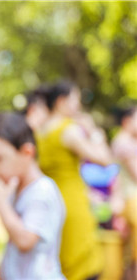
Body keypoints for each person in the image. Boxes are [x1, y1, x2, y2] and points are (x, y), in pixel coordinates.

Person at [36, 81, 113, 280]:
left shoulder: (41, 131)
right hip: (72, 202)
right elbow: (104, 159)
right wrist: (95, 132)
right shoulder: (67, 130)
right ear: (62, 101)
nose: (78, 106)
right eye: (75, 100)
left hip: (50, 201)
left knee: (61, 260)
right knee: (82, 265)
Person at [0, 112, 65, 280]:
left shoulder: (42, 190)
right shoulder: (16, 189)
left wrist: (1, 204)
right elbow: (13, 246)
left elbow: (25, 241)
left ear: (27, 152)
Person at [111, 105, 137, 280]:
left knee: (130, 255)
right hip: (131, 199)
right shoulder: (124, 142)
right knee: (133, 256)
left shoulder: (125, 141)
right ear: (127, 120)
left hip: (129, 199)